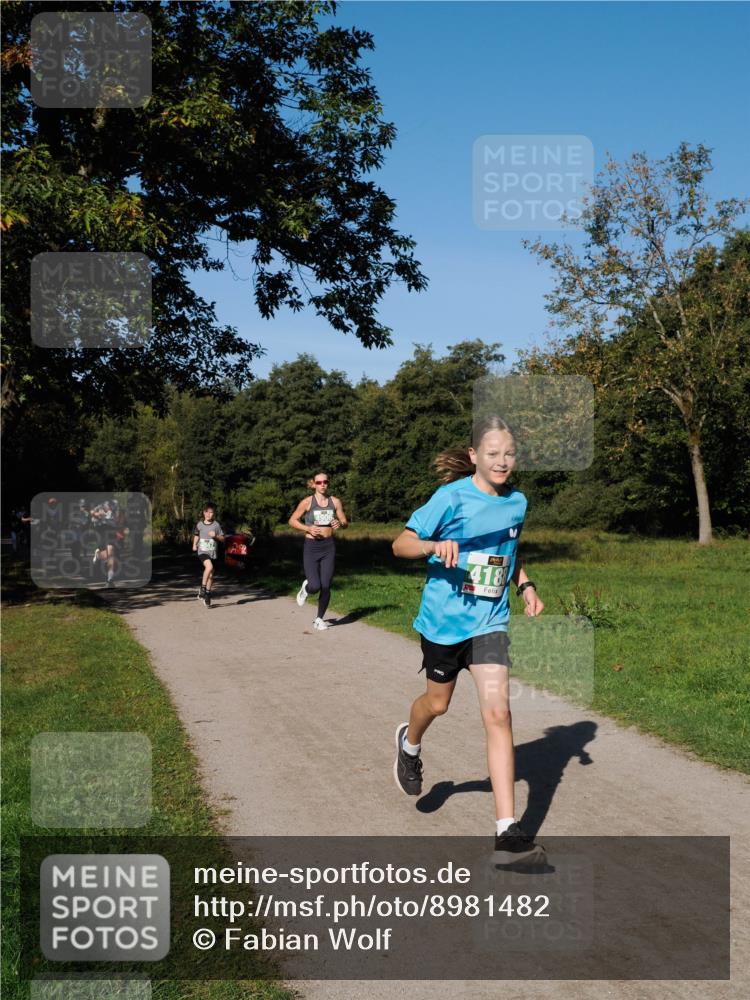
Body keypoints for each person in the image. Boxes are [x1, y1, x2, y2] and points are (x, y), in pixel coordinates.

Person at [391, 415, 546, 863]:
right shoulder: (450, 498)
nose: (502, 462)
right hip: (443, 623)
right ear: (475, 456)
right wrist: (432, 546)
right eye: (493, 454)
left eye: (509, 454)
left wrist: (526, 585)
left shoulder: (517, 503)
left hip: (490, 621)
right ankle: (409, 743)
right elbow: (400, 544)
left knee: (499, 713)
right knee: (436, 704)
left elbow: (509, 553)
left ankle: (506, 832)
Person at [288, 471, 348, 630]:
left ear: (328, 483)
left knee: (326, 585)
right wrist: (307, 528)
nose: (322, 485)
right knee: (315, 586)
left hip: (328, 547)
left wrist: (339, 523)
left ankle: (319, 619)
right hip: (311, 547)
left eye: (325, 482)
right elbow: (292, 520)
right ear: (314, 484)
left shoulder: (335, 502)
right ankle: (306, 588)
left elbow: (344, 520)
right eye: (319, 482)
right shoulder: (307, 502)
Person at [192, 503, 225, 607]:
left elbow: (223, 538)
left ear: (213, 514)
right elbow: (196, 535)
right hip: (202, 551)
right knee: (209, 566)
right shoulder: (199, 524)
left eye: (211, 512)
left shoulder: (216, 525)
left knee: (211, 575)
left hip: (213, 553)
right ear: (204, 513)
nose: (209, 514)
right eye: (207, 512)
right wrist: (194, 545)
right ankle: (202, 589)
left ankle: (207, 594)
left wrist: (215, 536)